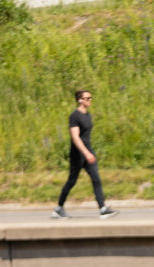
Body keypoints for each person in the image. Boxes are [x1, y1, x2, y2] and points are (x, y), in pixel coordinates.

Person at [51, 89, 119, 219]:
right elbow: (75, 137)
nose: (90, 100)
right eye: (87, 98)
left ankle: (103, 208)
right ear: (79, 100)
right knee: (72, 181)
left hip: (88, 151)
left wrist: (89, 152)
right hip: (78, 154)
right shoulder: (74, 116)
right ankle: (59, 208)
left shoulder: (88, 115)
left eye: (91, 98)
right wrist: (86, 153)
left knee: (96, 178)